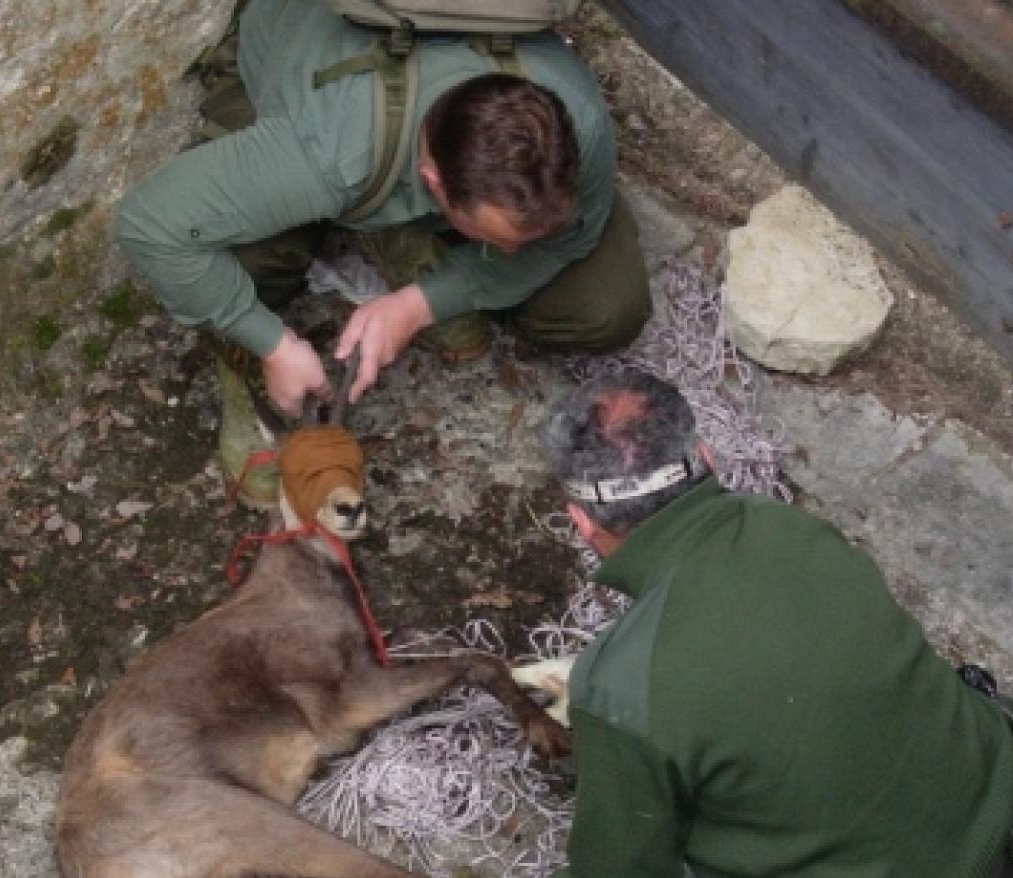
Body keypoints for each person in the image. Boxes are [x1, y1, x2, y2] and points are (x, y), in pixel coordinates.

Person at [458, 370, 1013, 878]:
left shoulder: (626, 687)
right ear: (705, 457)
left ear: (580, 521)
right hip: (994, 824)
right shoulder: (788, 527)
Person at [114, 0, 651, 504]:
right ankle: (258, 351)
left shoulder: (576, 122)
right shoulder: (326, 153)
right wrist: (272, 343)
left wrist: (419, 303)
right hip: (314, 76)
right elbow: (151, 226)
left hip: (394, 151)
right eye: (495, 240)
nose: (509, 253)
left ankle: (394, 230)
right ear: (433, 181)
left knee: (603, 308)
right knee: (244, 262)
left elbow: (569, 240)